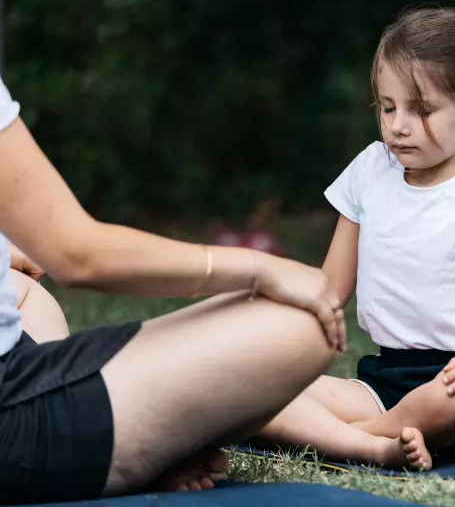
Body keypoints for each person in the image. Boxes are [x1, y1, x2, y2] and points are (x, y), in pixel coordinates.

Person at [0, 74, 347, 503]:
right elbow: (78, 256)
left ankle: (101, 431)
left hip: (20, 365)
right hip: (13, 418)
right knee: (302, 324)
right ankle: (103, 447)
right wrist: (259, 268)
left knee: (24, 289)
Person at [255, 7, 455, 471]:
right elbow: (330, 290)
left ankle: (349, 438)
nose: (398, 125)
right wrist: (268, 328)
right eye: (387, 106)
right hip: (385, 380)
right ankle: (378, 440)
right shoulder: (369, 170)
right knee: (253, 394)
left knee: (450, 400)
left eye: (421, 110)